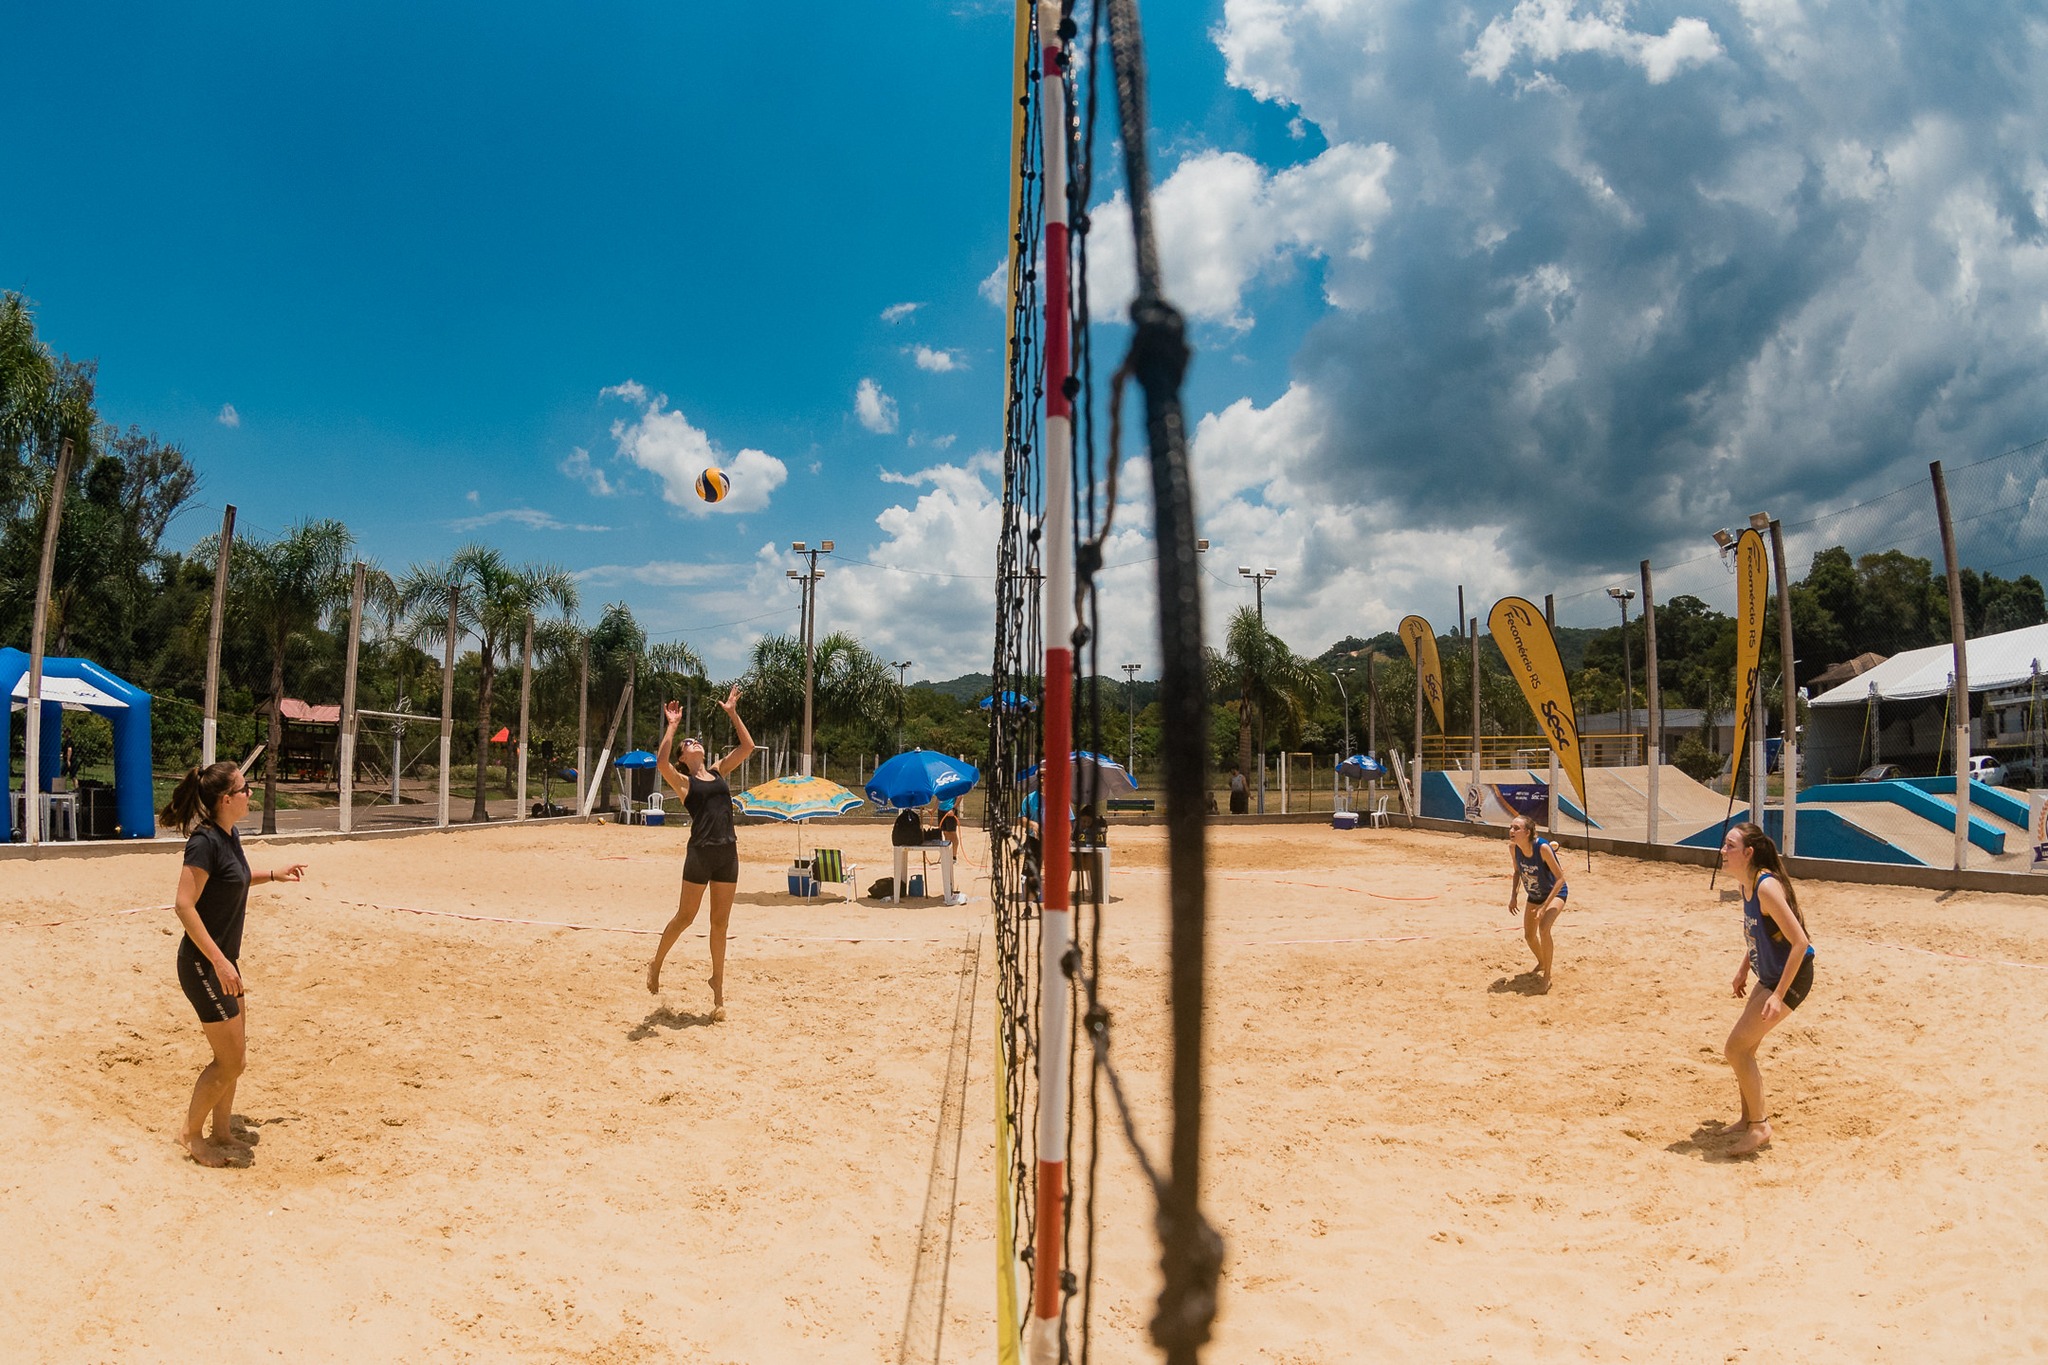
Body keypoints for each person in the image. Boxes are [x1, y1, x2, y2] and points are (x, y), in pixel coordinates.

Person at [160, 762, 307, 1168]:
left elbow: (234, 877)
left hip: (226, 963)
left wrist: (273, 875)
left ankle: (221, 1130)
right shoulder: (203, 842)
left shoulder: (229, 834)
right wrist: (221, 962)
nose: (250, 794)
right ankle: (190, 1135)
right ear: (226, 799)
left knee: (237, 1057)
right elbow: (183, 905)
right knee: (230, 1061)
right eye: (245, 789)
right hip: (203, 965)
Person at [647, 686, 755, 1017]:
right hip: (700, 853)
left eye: (697, 741)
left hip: (727, 853)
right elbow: (660, 761)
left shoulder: (720, 770)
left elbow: (747, 746)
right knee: (685, 917)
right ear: (683, 756)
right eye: (688, 744)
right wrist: (672, 725)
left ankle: (718, 990)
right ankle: (656, 963)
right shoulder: (683, 782)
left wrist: (733, 713)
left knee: (720, 923)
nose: (695, 743)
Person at [1717, 821, 1816, 1156]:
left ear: (1748, 853)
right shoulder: (1747, 885)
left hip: (1793, 976)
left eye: (1730, 846)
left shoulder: (1765, 887)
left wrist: (1776, 995)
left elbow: (1800, 943)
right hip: (1771, 975)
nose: (1723, 851)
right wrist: (1744, 968)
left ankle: (1760, 1127)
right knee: (1745, 1048)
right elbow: (1760, 933)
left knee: (1736, 1048)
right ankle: (1747, 1118)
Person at [1505, 815, 1569, 989]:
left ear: (1527, 832)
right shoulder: (1514, 848)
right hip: (1534, 894)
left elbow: (1561, 879)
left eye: (1516, 828)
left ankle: (1547, 976)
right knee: (1529, 935)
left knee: (1544, 928)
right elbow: (1517, 872)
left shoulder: (1542, 848)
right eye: (1511, 827)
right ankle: (1541, 962)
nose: (1511, 831)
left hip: (1555, 893)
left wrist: (1544, 906)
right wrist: (1513, 896)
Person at [936, 798, 966, 905]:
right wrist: (934, 809)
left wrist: (953, 808)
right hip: (941, 810)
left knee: (952, 833)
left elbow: (960, 795)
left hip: (950, 810)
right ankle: (947, 855)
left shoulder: (953, 783)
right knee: (945, 833)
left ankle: (954, 856)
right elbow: (938, 798)